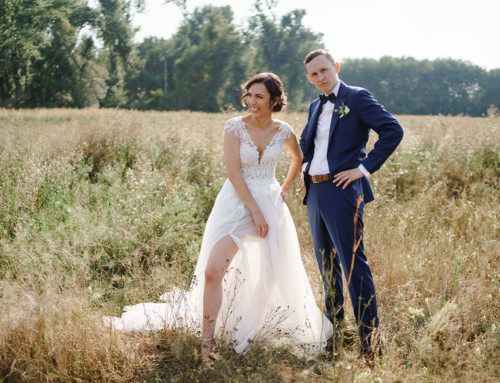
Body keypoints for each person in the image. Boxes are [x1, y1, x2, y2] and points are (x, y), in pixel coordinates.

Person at [105, 73, 333, 362]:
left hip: (271, 204)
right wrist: (254, 211)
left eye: (259, 96)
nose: (252, 101)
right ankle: (207, 341)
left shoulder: (284, 130)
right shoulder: (234, 127)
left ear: (275, 100)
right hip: (236, 204)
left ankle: (253, 326)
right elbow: (234, 172)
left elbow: (297, 159)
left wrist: (284, 189)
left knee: (272, 272)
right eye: (249, 95)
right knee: (213, 270)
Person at [299, 49, 404, 357]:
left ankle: (370, 343)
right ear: (309, 79)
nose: (320, 77)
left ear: (336, 67)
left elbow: (392, 130)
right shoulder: (313, 106)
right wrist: (306, 169)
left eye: (324, 70)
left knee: (353, 266)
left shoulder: (356, 97)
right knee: (326, 266)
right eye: (314, 74)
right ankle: (333, 334)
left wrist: (362, 168)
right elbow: (312, 146)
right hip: (315, 194)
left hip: (343, 191)